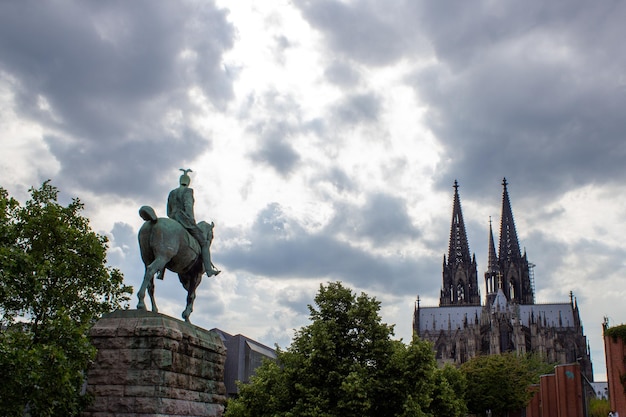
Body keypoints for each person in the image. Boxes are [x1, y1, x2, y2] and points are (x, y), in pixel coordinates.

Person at [167, 168, 220, 277]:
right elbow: (188, 206)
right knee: (204, 244)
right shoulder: (188, 191)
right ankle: (209, 270)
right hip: (184, 220)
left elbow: (168, 210)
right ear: (188, 182)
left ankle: (161, 271)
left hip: (172, 219)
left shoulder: (172, 192)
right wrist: (191, 221)